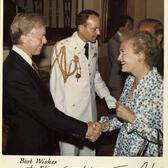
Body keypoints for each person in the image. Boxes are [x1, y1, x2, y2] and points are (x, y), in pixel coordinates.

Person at [3, 12, 102, 155]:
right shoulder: (14, 72)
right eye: (40, 36)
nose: (45, 41)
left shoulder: (22, 64)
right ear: (24, 38)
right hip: (29, 148)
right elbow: (44, 111)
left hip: (41, 141)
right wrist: (84, 129)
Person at [49, 9, 116, 156]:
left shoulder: (94, 44)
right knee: (69, 156)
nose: (98, 32)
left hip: (89, 110)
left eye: (99, 28)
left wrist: (106, 95)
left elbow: (94, 75)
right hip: (69, 113)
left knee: (89, 154)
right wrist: (60, 121)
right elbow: (56, 88)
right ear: (81, 28)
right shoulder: (63, 48)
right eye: (94, 29)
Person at [100, 31, 163, 156]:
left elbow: (161, 137)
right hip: (123, 148)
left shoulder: (160, 88)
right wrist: (105, 125)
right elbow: (123, 117)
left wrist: (132, 118)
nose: (118, 58)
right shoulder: (130, 80)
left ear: (140, 55)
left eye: (123, 52)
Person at [108, 15, 134, 100]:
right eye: (129, 25)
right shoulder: (114, 41)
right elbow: (117, 60)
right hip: (118, 79)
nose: (131, 28)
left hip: (125, 78)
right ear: (121, 27)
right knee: (119, 105)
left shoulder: (127, 39)